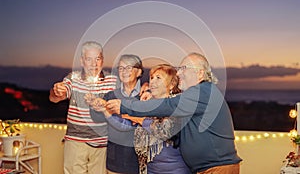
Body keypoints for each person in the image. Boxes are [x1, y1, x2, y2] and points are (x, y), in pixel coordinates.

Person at [105, 52, 242, 174]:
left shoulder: (202, 92)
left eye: (184, 69)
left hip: (217, 168)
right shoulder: (194, 96)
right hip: (208, 168)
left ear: (200, 73)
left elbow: (169, 105)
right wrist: (149, 93)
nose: (178, 73)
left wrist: (125, 106)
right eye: (178, 69)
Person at [49, 41, 117, 174]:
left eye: (97, 59)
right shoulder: (73, 78)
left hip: (102, 144)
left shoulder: (112, 81)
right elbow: (54, 98)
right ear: (82, 61)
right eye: (89, 59)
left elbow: (124, 103)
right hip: (75, 141)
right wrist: (57, 91)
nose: (94, 64)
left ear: (102, 60)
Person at [86, 54, 144, 174]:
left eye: (129, 68)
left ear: (138, 72)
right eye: (121, 68)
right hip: (114, 162)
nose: (124, 71)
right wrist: (94, 104)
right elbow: (96, 118)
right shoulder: (111, 95)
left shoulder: (145, 96)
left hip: (138, 163)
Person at [134, 64, 191, 174]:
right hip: (150, 170)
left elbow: (165, 132)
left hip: (175, 170)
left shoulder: (177, 106)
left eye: (158, 78)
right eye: (151, 78)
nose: (153, 81)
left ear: (171, 85)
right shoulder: (148, 105)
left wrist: (140, 119)